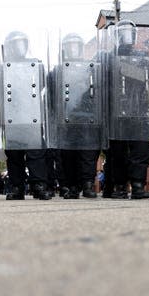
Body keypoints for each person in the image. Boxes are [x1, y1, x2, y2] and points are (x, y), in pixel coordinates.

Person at [106, 20, 149, 199]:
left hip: (139, 111)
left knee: (141, 151)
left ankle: (138, 185)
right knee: (118, 154)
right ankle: (120, 186)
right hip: (117, 114)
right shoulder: (108, 58)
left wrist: (148, 58)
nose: (127, 36)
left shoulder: (142, 57)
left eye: (129, 32)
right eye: (122, 33)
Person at [0, 31, 51, 200]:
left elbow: (42, 86)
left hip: (32, 115)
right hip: (11, 117)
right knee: (14, 156)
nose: (19, 47)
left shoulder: (35, 65)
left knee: (36, 154)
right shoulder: (2, 67)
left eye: (22, 43)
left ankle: (39, 186)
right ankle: (16, 187)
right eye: (15, 44)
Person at [49, 32, 102, 199]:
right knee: (68, 155)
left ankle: (87, 184)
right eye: (69, 46)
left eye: (75, 46)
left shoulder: (90, 68)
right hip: (65, 119)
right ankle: (72, 186)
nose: (72, 49)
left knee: (87, 154)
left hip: (87, 118)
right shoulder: (57, 71)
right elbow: (50, 97)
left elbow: (97, 92)